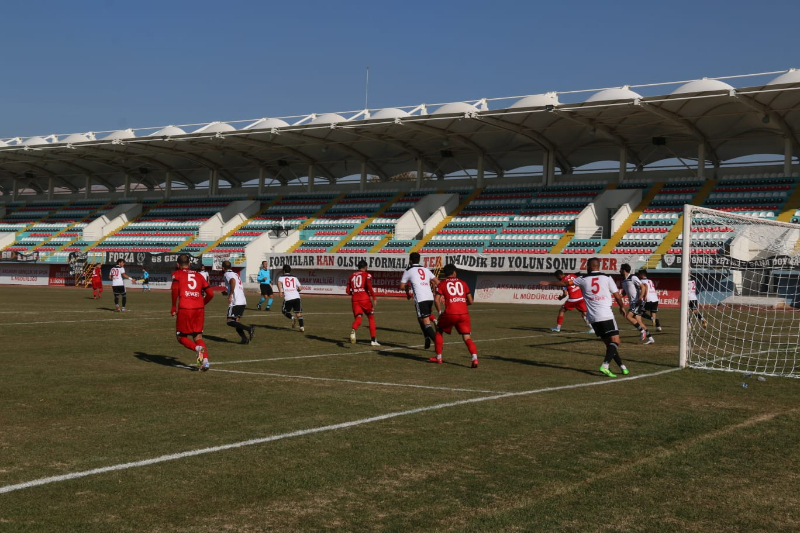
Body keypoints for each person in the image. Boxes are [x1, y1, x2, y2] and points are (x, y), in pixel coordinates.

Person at [542, 257, 630, 378]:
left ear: (589, 267)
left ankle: (622, 366)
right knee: (615, 341)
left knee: (609, 344)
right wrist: (621, 307)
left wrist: (549, 283)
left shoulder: (582, 279)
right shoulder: (607, 278)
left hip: (592, 317)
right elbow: (617, 296)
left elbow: (565, 283)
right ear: (598, 266)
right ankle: (605, 366)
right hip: (606, 315)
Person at [171, 253, 214, 371]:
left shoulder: (177, 274)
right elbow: (210, 293)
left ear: (178, 264)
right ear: (189, 264)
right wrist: (202, 303)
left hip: (185, 308)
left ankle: (197, 349)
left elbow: (175, 289)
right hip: (199, 308)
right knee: (198, 336)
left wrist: (173, 307)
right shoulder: (199, 275)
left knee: (180, 336)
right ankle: (204, 362)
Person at [432, 264, 478, 367]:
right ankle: (474, 358)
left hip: (450, 313)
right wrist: (460, 303)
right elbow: (471, 301)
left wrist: (440, 312)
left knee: (439, 330)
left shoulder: (442, 284)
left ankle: (438, 357)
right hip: (464, 313)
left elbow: (436, 300)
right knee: (467, 337)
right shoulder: (463, 283)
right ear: (454, 273)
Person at [399, 252, 440, 349]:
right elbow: (437, 282)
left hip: (420, 298)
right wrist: (439, 294)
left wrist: (407, 290)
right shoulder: (425, 269)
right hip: (430, 297)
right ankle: (426, 337)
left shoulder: (409, 270)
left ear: (410, 261)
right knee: (421, 318)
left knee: (425, 322)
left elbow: (401, 286)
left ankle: (438, 343)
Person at [619, 264, 654, 344]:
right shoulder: (623, 280)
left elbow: (643, 287)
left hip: (637, 302)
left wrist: (640, 298)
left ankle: (642, 332)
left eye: (620, 269)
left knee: (628, 316)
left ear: (624, 270)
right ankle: (651, 338)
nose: (619, 271)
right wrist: (620, 296)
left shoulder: (633, 277)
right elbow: (625, 292)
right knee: (639, 321)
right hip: (632, 303)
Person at [551, 270, 594, 334]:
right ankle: (592, 328)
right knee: (584, 313)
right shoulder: (572, 275)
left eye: (557, 277)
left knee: (562, 311)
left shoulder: (562, 281)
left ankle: (558, 328)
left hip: (573, 299)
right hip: (580, 297)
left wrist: (561, 297)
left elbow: (565, 294)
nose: (557, 278)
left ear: (559, 276)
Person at [347, 260, 379, 346]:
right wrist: (374, 297)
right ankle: (373, 340)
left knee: (358, 318)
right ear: (365, 267)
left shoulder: (351, 276)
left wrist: (354, 291)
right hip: (365, 299)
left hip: (355, 300)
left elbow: (348, 291)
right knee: (371, 318)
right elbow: (369, 286)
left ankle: (353, 329)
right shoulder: (367, 274)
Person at [223, 261, 255, 344]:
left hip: (235, 301)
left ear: (223, 268)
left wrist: (230, 294)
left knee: (229, 321)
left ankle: (249, 328)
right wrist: (227, 292)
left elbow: (232, 281)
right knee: (236, 322)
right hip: (242, 300)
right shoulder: (236, 274)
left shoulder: (227, 274)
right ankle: (244, 339)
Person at [278, 264, 304, 332]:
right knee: (298, 313)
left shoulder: (281, 277)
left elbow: (279, 283)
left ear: (283, 271)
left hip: (288, 297)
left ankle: (292, 318)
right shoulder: (294, 277)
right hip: (296, 297)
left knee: (284, 311)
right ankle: (302, 327)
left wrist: (280, 292)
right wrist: (297, 291)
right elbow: (300, 288)